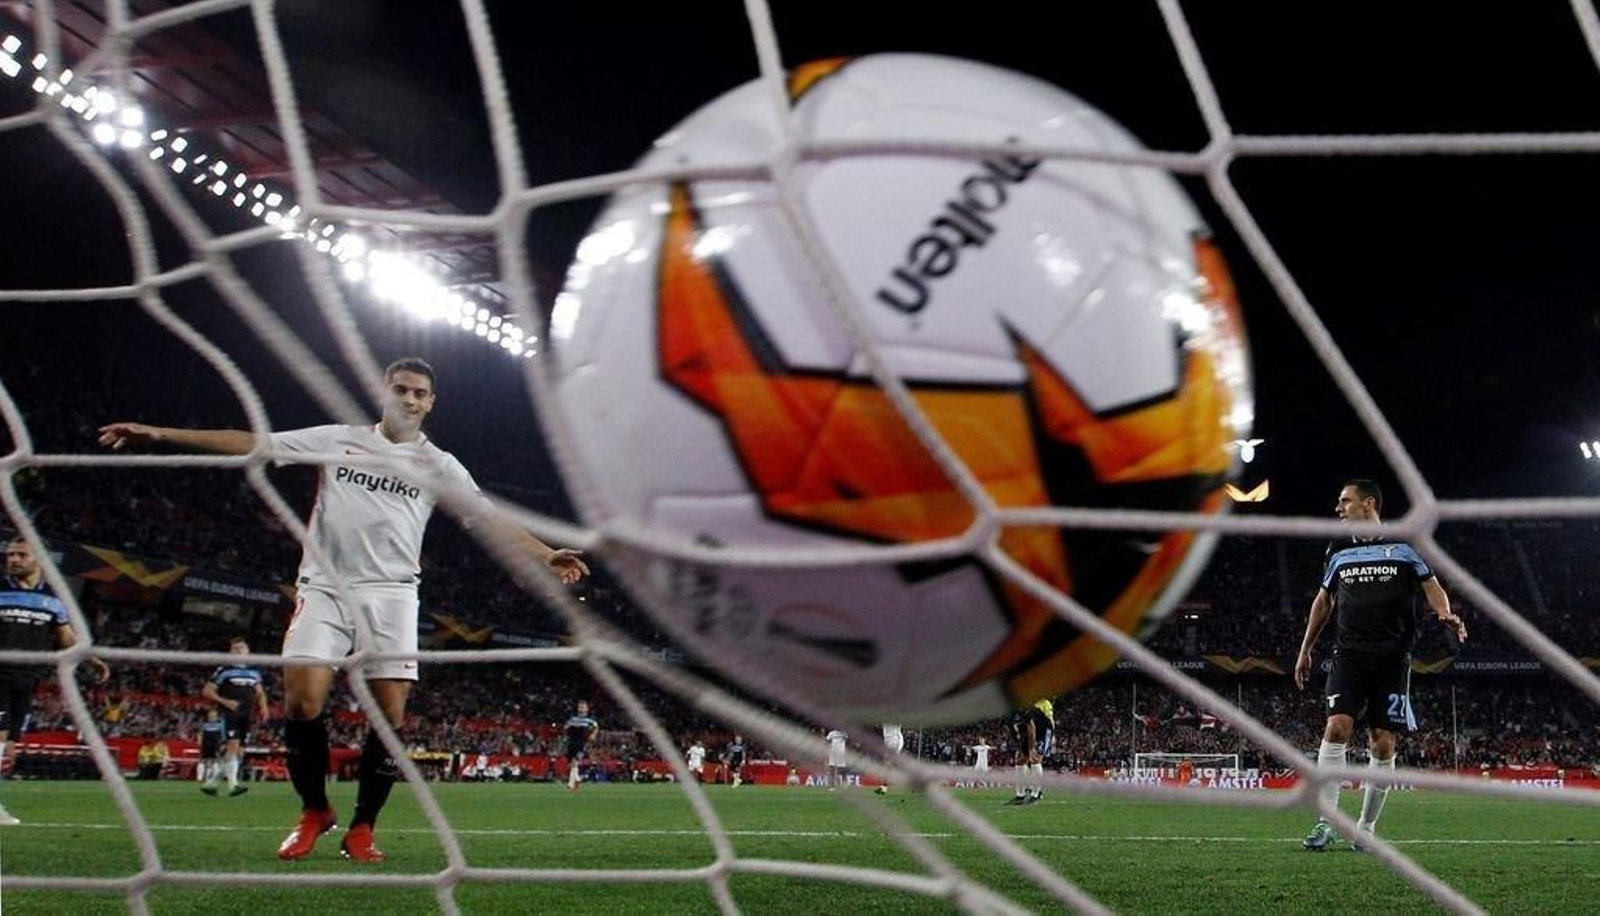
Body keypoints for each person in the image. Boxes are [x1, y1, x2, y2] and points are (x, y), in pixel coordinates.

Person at [98, 357, 588, 862]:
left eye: (420, 393)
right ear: (385, 391)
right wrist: (159, 434)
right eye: (402, 389)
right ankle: (315, 811)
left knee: (391, 714)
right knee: (302, 701)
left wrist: (547, 553)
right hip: (325, 586)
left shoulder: (439, 465)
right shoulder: (340, 438)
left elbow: (487, 518)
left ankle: (363, 827)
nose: (410, 399)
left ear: (431, 402)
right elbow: (254, 442)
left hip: (393, 593)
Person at [1295, 479, 1466, 851]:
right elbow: (1323, 602)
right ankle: (1326, 822)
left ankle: (1365, 829)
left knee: (1382, 743)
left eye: (1345, 501)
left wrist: (1445, 614)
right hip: (1349, 654)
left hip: (1392, 658)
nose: (1338, 508)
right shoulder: (1337, 548)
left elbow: (1431, 585)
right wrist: (1306, 648)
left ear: (1368, 504)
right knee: (1337, 728)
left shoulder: (1405, 544)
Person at [0, 536, 110, 826]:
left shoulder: (51, 598)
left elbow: (65, 638)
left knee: (9, 744)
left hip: (27, 678)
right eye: (10, 555)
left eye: (21, 555)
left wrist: (90, 658)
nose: (13, 560)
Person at [200, 636, 269, 797]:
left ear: (248, 651)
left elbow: (259, 693)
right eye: (235, 649)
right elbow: (207, 691)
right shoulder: (224, 670)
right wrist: (225, 701)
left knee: (239, 752)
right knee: (232, 746)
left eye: (241, 648)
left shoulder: (254, 671)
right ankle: (233, 786)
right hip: (229, 713)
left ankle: (212, 784)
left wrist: (264, 707)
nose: (238, 651)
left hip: (247, 714)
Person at [1005, 698, 1053, 805]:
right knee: (1020, 759)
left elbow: (1031, 727)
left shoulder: (1023, 707)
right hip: (1027, 731)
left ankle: (1036, 794)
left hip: (1044, 730)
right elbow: (1011, 730)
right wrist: (1019, 747)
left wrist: (1031, 749)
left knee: (1035, 759)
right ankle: (1020, 796)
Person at [563, 700, 599, 790]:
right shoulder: (573, 718)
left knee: (575, 761)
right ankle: (578, 779)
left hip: (582, 743)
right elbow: (566, 727)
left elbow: (596, 727)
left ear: (587, 709)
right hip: (572, 742)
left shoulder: (590, 719)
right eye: (580, 707)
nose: (581, 708)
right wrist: (566, 729)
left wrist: (593, 734)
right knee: (571, 763)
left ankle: (570, 784)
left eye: (583, 707)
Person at [197, 707, 225, 791]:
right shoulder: (204, 724)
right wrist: (199, 740)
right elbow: (200, 733)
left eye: (214, 715)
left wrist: (223, 744)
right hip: (205, 744)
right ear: (208, 716)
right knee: (203, 760)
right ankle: (200, 777)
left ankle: (212, 777)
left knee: (215, 761)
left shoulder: (220, 724)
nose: (212, 717)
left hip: (215, 744)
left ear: (216, 716)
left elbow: (223, 735)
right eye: (211, 715)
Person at [875, 723, 904, 795]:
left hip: (893, 740)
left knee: (888, 764)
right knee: (890, 765)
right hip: (894, 739)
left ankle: (884, 787)